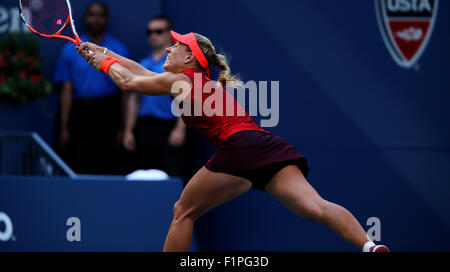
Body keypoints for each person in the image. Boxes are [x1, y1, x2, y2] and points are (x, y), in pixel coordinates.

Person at [76, 31, 389, 252]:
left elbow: (130, 81)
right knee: (316, 208)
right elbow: (141, 71)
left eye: (176, 46)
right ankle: (369, 246)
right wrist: (105, 53)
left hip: (239, 148)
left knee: (183, 211)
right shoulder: (196, 80)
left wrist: (103, 64)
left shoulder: (182, 80)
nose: (169, 49)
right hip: (266, 146)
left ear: (190, 59)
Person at [53, 1, 130, 174]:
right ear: (85, 18)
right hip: (80, 112)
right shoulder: (68, 50)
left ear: (107, 19)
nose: (96, 19)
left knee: (107, 164)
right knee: (79, 163)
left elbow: (125, 91)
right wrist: (64, 128)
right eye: (92, 15)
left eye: (100, 15)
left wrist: (124, 128)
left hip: (109, 111)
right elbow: (66, 90)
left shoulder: (119, 50)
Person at [122, 15, 187, 176]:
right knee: (144, 174)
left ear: (169, 34)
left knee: (170, 174)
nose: (153, 35)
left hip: (168, 125)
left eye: (158, 31)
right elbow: (134, 99)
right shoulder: (143, 64)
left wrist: (180, 129)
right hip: (145, 127)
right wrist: (129, 130)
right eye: (149, 31)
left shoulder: (178, 64)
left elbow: (186, 99)